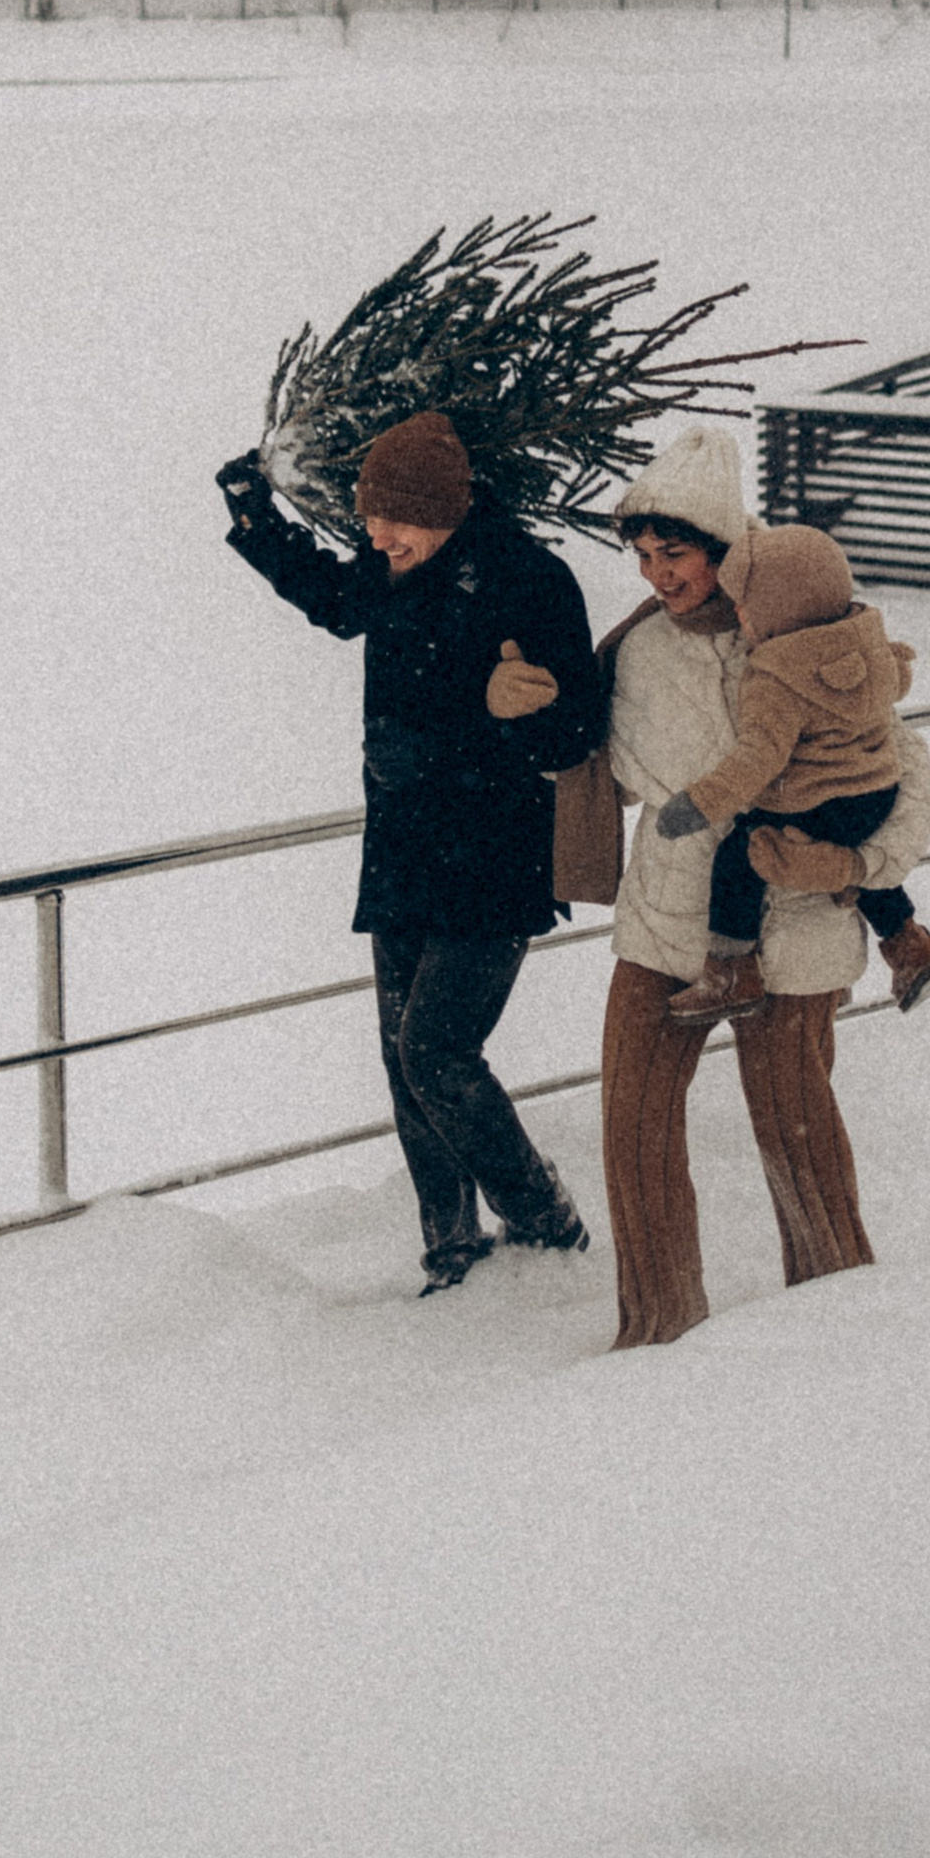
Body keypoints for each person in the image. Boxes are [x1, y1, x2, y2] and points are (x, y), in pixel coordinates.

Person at [218, 410, 606, 1294]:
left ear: (448, 509)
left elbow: (582, 724)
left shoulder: (530, 580)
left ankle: (545, 1215)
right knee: (403, 1056)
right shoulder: (393, 569)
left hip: (494, 856)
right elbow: (328, 598)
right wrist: (252, 510)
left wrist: (522, 709)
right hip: (402, 848)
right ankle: (451, 1248)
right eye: (367, 517)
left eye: (393, 518)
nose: (375, 535)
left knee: (435, 1048)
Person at [598, 424, 930, 1349]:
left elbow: (902, 773)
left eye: (676, 553)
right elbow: (609, 769)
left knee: (798, 1134)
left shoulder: (799, 632)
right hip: (666, 922)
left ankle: (838, 1326)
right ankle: (658, 1334)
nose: (658, 574)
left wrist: (856, 869)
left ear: (723, 549)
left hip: (797, 927)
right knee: (633, 1128)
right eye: (645, 555)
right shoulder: (635, 656)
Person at [651, 517, 930, 1031]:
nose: (740, 617)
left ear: (777, 612)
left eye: (746, 607)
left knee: (740, 858)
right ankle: (909, 946)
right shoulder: (867, 643)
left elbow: (757, 761)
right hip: (875, 796)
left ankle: (731, 972)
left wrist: (701, 802)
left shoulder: (774, 677)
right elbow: (898, 678)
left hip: (812, 801)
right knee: (852, 861)